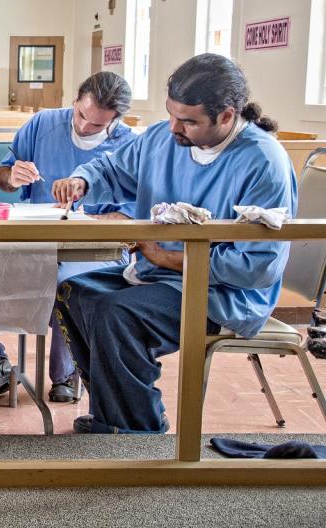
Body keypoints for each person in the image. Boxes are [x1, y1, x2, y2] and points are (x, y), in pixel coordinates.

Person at [51, 53, 296, 434]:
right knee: (72, 292)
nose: (173, 127)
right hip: (158, 273)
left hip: (222, 293)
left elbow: (257, 267)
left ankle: (138, 433)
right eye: (171, 114)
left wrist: (166, 258)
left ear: (227, 116)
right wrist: (82, 180)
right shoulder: (162, 139)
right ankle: (115, 416)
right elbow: (113, 168)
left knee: (118, 313)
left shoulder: (262, 162)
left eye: (188, 121)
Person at [0, 72, 136, 405]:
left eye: (96, 126)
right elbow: (3, 178)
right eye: (80, 115)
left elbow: (135, 212)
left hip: (96, 250)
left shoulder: (130, 145)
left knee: (67, 281)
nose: (83, 127)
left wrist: (92, 220)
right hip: (37, 239)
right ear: (74, 101)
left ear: (115, 122)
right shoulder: (43, 125)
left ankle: (67, 371)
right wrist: (13, 175)